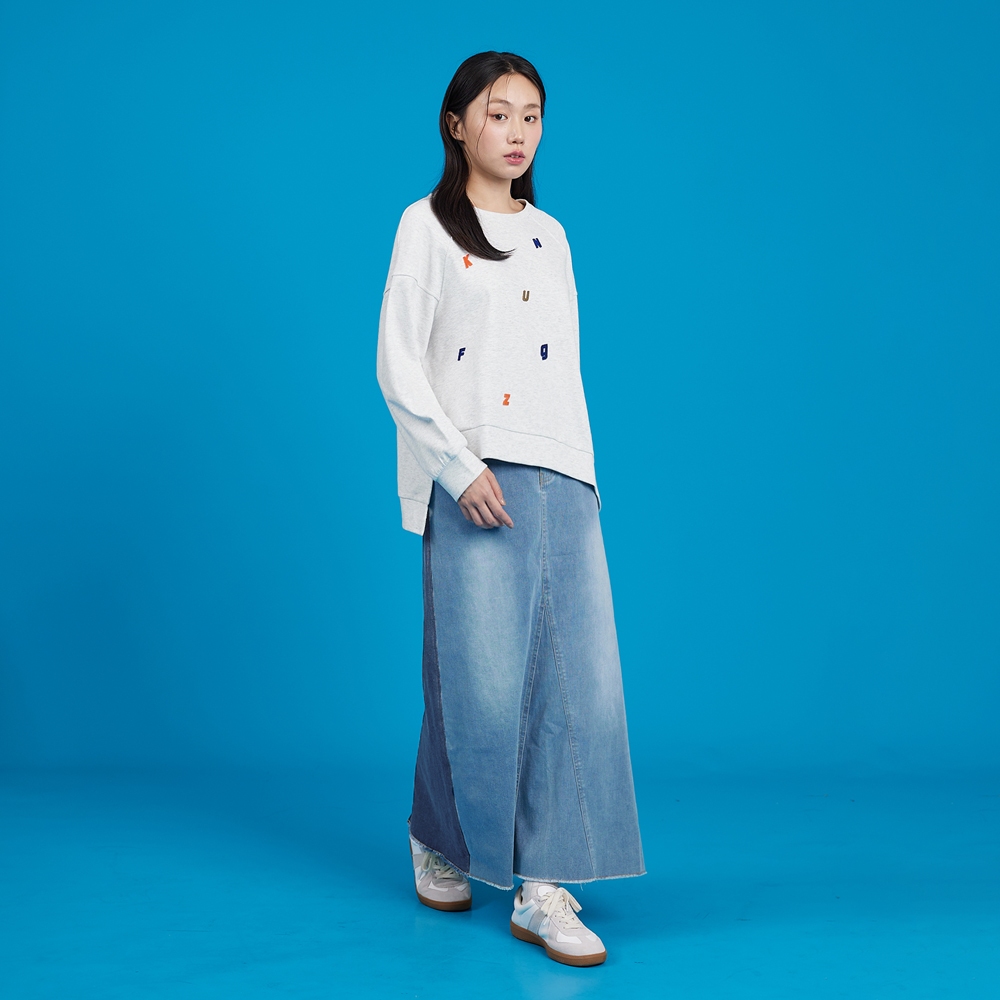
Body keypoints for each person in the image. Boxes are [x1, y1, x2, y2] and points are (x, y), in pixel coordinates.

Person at [376, 50, 644, 968]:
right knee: (477, 680)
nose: (519, 132)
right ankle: (438, 834)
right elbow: (398, 364)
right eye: (499, 114)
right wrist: (457, 468)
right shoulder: (424, 227)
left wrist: (584, 478)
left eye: (532, 115)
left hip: (561, 472)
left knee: (578, 683)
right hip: (474, 475)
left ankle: (544, 885)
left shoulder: (552, 235)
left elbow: (562, 372)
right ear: (457, 125)